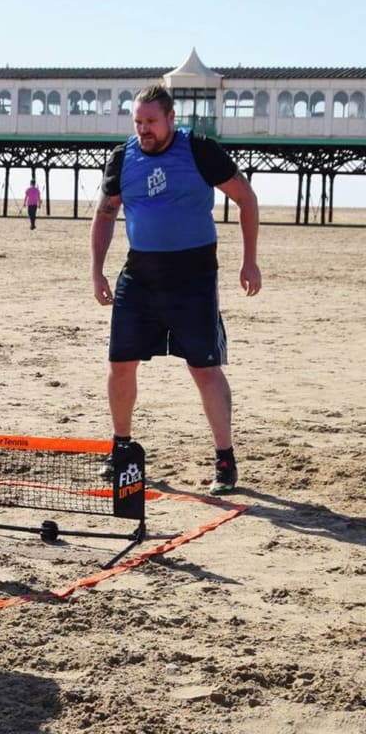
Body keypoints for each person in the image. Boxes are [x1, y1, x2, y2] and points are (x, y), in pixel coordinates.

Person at [90, 84, 260, 495]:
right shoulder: (122, 157)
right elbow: (105, 214)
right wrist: (97, 271)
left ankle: (224, 459)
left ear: (171, 119)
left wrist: (249, 259)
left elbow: (246, 198)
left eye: (151, 121)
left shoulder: (200, 150)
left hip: (193, 278)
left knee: (204, 369)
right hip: (140, 277)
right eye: (137, 122)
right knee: (121, 364)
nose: (143, 129)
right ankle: (121, 449)